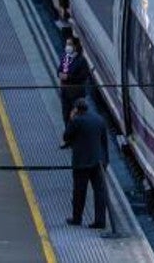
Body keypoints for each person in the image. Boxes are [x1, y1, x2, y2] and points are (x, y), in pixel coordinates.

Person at [62, 98, 109, 229]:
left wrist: (71, 119)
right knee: (100, 191)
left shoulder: (76, 121)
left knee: (79, 191)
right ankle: (100, 221)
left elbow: (66, 136)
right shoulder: (99, 119)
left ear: (76, 109)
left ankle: (77, 218)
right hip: (99, 162)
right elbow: (104, 142)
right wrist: (106, 161)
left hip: (81, 163)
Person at [58, 37, 91, 124]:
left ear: (75, 46)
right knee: (66, 115)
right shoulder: (65, 57)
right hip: (65, 92)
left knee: (77, 116)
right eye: (67, 44)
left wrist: (68, 77)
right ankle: (68, 133)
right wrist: (60, 74)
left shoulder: (81, 60)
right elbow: (59, 69)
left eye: (69, 44)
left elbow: (83, 76)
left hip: (76, 93)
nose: (67, 46)